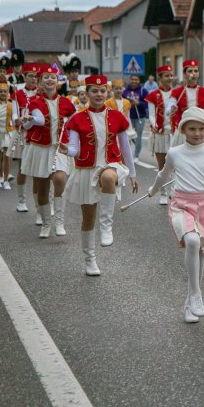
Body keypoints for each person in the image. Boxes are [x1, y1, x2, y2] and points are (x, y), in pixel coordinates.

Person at [148, 108, 204, 322]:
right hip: (181, 205)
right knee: (192, 241)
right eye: (192, 128)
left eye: (201, 129)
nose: (197, 133)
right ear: (183, 129)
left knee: (200, 253)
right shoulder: (175, 152)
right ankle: (195, 294)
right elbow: (164, 175)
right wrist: (153, 190)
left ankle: (189, 304)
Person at [65, 75, 138, 273]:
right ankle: (90, 260)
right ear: (87, 93)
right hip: (86, 170)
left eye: (102, 91)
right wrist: (65, 149)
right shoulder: (77, 119)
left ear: (106, 93)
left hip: (110, 164)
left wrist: (132, 173)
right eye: (94, 91)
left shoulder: (116, 116)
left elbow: (125, 147)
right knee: (88, 218)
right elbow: (73, 149)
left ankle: (106, 226)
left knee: (107, 177)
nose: (98, 94)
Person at [20, 65, 76, 238]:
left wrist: (74, 144)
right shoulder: (35, 103)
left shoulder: (67, 102)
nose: (50, 80)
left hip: (59, 147)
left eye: (53, 78)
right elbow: (32, 123)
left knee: (59, 179)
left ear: (58, 82)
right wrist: (27, 121)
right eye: (46, 77)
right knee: (42, 188)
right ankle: (46, 223)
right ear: (40, 82)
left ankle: (59, 222)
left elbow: (75, 125)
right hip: (40, 148)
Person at [10, 64, 40, 212]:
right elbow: (15, 113)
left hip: (38, 134)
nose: (33, 79)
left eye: (35, 76)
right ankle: (21, 201)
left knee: (37, 170)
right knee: (23, 167)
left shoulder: (41, 93)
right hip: (23, 133)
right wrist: (18, 119)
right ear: (25, 77)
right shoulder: (18, 93)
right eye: (30, 76)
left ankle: (39, 204)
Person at [145, 65, 175, 205]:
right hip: (161, 133)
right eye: (166, 76)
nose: (170, 78)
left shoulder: (177, 93)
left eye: (171, 75)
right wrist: (155, 125)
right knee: (162, 165)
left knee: (176, 164)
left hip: (174, 133)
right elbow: (151, 114)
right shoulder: (153, 95)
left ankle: (173, 190)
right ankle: (163, 192)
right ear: (160, 78)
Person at [169, 60, 204, 134]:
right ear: (184, 74)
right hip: (182, 130)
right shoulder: (177, 92)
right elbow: (169, 108)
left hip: (199, 131)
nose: (193, 73)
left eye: (196, 71)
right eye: (190, 71)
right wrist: (171, 109)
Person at [121, 75, 148, 164]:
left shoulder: (143, 91)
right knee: (127, 136)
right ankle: (127, 154)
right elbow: (121, 102)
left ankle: (136, 155)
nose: (134, 81)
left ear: (139, 80)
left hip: (140, 117)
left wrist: (138, 103)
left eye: (136, 79)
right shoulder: (125, 91)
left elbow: (147, 104)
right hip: (128, 117)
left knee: (138, 136)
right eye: (132, 79)